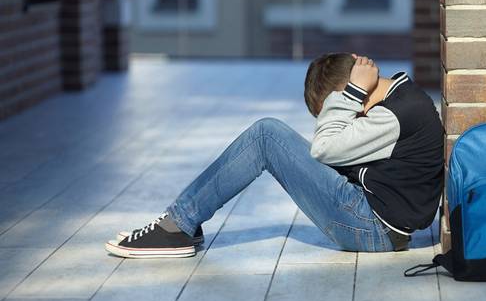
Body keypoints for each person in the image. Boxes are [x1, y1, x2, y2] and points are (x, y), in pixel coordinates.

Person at [104, 53, 444, 258]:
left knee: (267, 134)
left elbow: (324, 148)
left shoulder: (393, 115)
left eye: (341, 108)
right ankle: (183, 223)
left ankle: (177, 225)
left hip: (372, 229)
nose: (346, 114)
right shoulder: (402, 102)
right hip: (377, 221)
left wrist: (352, 92)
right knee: (274, 136)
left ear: (353, 93)